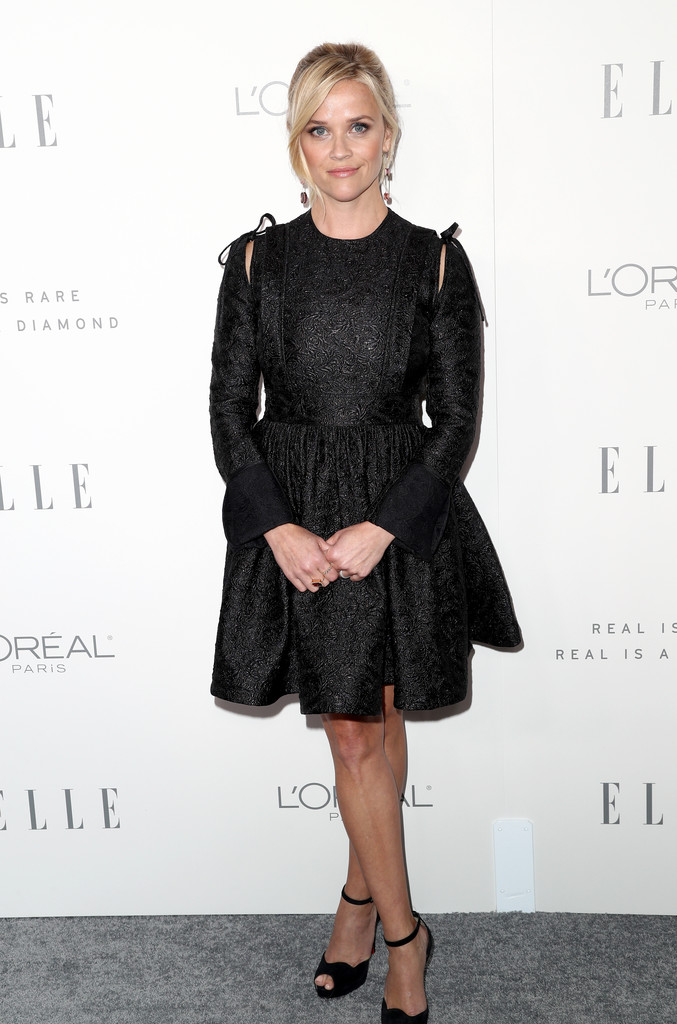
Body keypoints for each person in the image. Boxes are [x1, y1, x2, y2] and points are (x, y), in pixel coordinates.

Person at [209, 41, 521, 1024]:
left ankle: (358, 904)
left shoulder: (434, 260)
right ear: (295, 142)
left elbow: (456, 420)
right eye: (318, 128)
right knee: (350, 731)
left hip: (398, 511)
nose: (339, 148)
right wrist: (278, 528)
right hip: (294, 513)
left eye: (357, 125)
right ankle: (403, 937)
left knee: (373, 721)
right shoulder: (256, 261)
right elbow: (229, 411)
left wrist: (383, 527)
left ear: (388, 135)